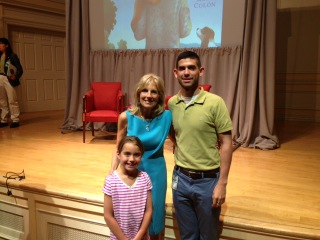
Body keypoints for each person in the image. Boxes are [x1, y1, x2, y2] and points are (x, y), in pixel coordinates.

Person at [168, 51, 233, 240]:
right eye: (182, 68)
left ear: (201, 71)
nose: (186, 72)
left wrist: (222, 183)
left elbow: (227, 144)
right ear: (175, 73)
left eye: (191, 68)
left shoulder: (215, 103)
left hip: (207, 181)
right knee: (187, 236)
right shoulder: (172, 103)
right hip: (180, 179)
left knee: (208, 236)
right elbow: (173, 132)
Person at [110, 73, 172, 240]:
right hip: (131, 171)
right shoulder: (126, 117)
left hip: (156, 172)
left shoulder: (167, 117)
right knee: (133, 213)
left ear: (160, 95)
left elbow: (178, 142)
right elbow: (118, 148)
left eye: (154, 92)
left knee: (156, 214)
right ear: (138, 93)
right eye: (145, 90)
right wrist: (112, 173)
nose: (149, 96)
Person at [103, 136, 153, 240]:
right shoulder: (111, 181)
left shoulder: (145, 178)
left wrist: (139, 236)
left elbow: (148, 210)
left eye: (136, 155)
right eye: (127, 154)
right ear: (118, 154)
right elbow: (108, 215)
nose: (131, 159)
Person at [0, 37, 23, 128]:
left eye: (1, 44)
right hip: (0, 78)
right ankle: (3, 120)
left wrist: (15, 76)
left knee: (12, 99)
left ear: (6, 45)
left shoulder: (12, 56)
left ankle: (15, 119)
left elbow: (20, 69)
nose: (0, 46)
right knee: (2, 100)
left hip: (8, 78)